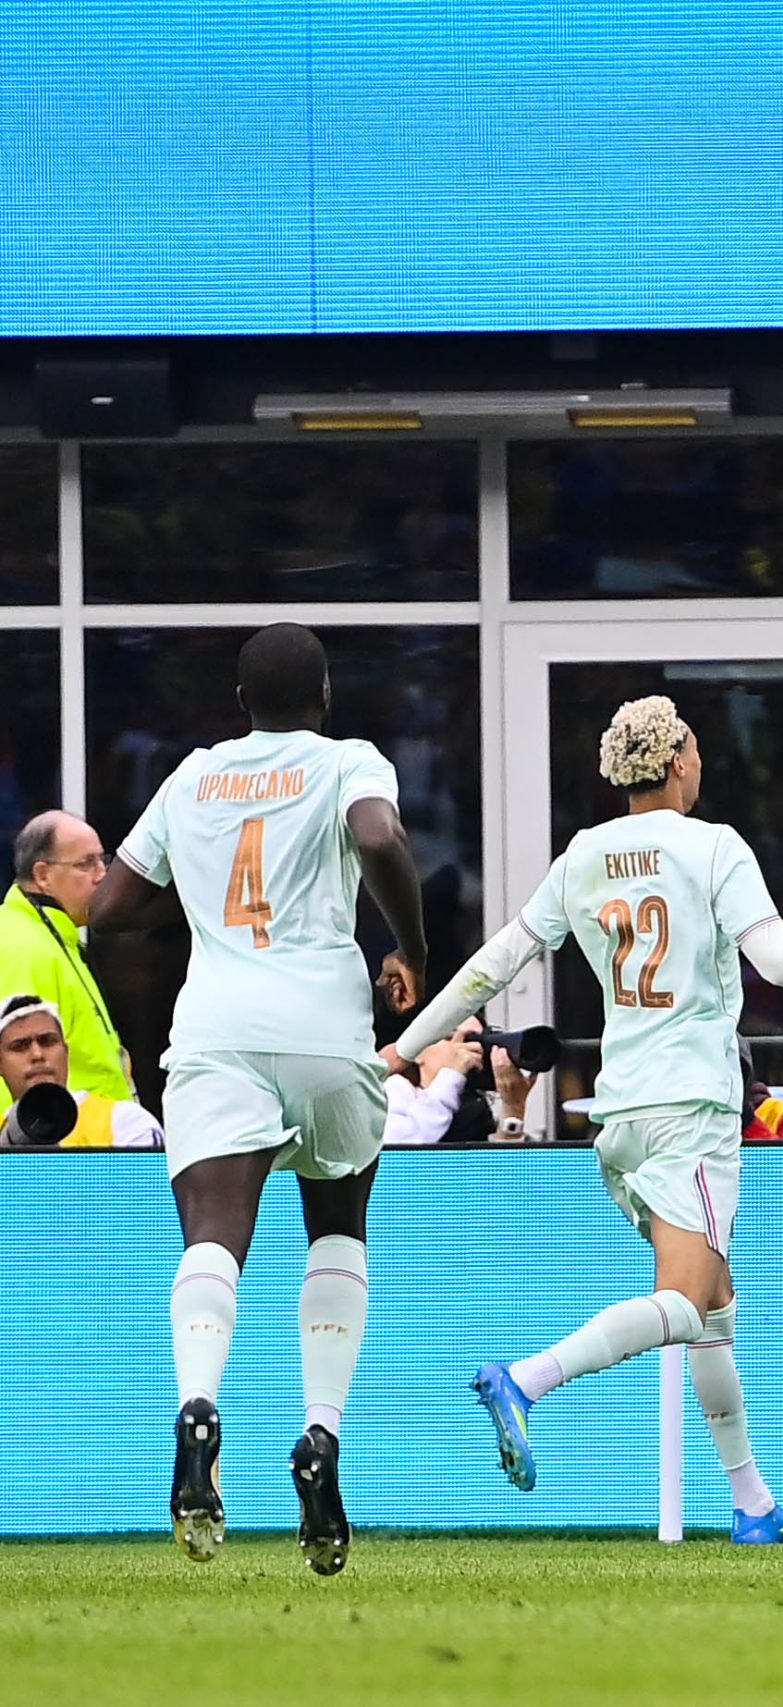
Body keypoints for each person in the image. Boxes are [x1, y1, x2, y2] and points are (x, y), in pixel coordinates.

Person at [385, 695, 783, 1546]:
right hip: (690, 1107)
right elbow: (780, 961)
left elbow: (492, 965)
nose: (699, 759)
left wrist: (403, 1048)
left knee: (716, 1304)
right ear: (679, 759)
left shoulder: (584, 855)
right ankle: (525, 1379)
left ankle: (753, 1503)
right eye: (694, 746)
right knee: (688, 1302)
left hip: (619, 1112)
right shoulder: (714, 846)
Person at [84, 623, 430, 1576]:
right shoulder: (348, 759)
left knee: (212, 1241)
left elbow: (108, 909)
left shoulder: (193, 775)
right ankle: (320, 1432)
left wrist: (201, 901)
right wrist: (411, 944)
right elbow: (377, 834)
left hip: (218, 1032)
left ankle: (198, 1407)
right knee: (337, 1230)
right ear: (325, 695)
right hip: (324, 1026)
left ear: (240, 703)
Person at [0, 810, 134, 1113]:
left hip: (90, 1133)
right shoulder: (24, 948)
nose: (102, 875)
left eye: (103, 860)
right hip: (62, 1138)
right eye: (86, 864)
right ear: (43, 875)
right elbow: (13, 1067)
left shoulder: (52, 936)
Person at [0, 993, 162, 1147]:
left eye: (48, 1041)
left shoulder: (124, 1121)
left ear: (66, 1052)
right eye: (20, 1046)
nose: (37, 1054)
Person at [380, 1021, 484, 1147]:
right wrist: (451, 1076)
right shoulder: (395, 1088)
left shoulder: (478, 1103)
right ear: (418, 1053)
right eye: (449, 1037)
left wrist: (507, 1103)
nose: (464, 1048)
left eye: (474, 1040)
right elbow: (399, 1146)